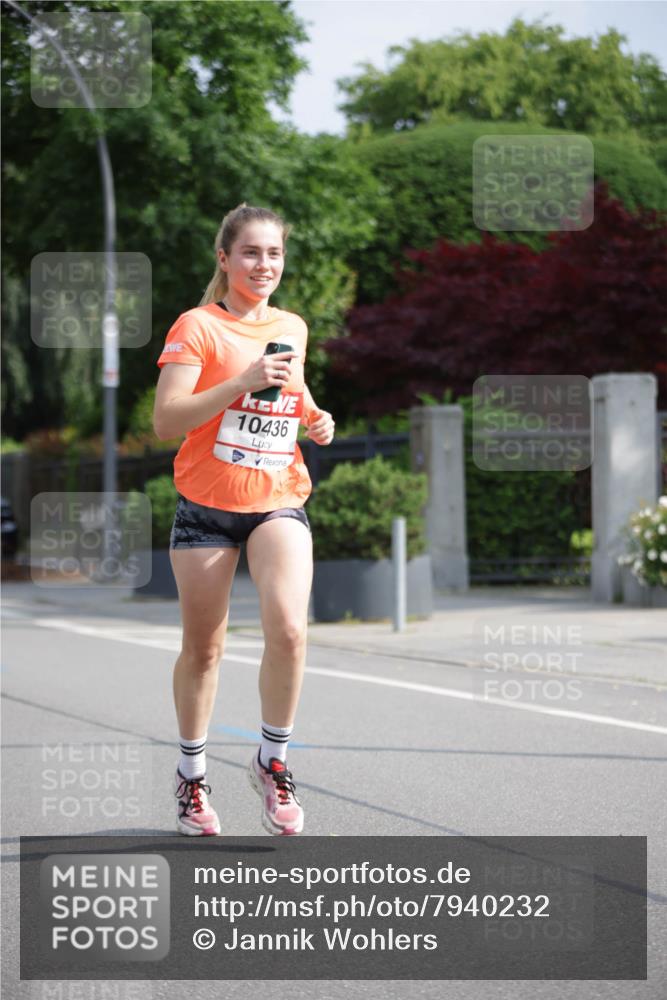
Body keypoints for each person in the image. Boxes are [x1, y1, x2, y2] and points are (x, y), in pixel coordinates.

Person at [153, 203, 335, 837]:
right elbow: (167, 421)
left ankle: (273, 761)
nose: (265, 265)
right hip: (205, 507)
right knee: (205, 650)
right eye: (252, 253)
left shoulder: (293, 325)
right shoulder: (198, 327)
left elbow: (292, 390)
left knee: (288, 628)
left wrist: (314, 416)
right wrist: (242, 381)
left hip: (277, 497)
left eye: (275, 254)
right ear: (224, 259)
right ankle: (192, 778)